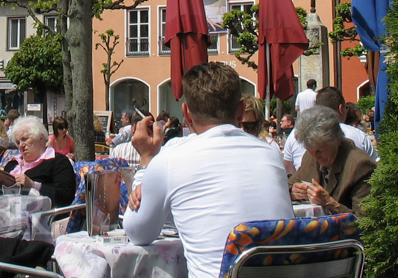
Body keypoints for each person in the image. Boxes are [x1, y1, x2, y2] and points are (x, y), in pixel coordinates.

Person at [124, 62, 293, 278]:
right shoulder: (270, 154)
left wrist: (146, 161)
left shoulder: (171, 159)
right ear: (241, 110)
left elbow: (137, 232)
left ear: (186, 113)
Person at [288, 106, 376, 214]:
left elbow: (364, 221)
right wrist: (293, 192)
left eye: (320, 150)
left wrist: (329, 203)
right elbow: (289, 185)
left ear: (336, 140)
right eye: (310, 149)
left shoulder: (360, 165)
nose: (315, 156)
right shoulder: (310, 157)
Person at [284, 86, 377, 173]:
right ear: (341, 109)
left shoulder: (295, 133)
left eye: (319, 150)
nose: (316, 156)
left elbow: (289, 169)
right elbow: (374, 170)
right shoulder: (358, 135)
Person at [3, 115, 76, 208]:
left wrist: (33, 185)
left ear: (41, 138)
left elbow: (66, 197)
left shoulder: (58, 162)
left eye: (25, 139)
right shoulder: (12, 164)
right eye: (18, 142)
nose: (21, 145)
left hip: (41, 217)